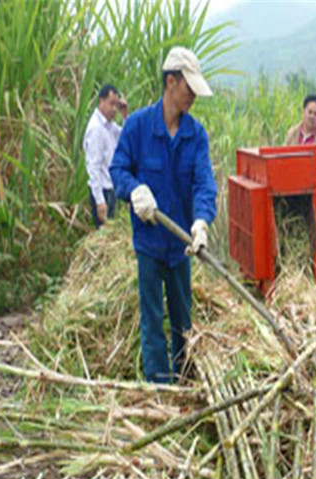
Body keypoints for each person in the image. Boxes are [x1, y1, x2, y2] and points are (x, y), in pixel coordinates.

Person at [110, 47, 217, 384]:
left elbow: (204, 183)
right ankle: (158, 385)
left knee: (183, 320)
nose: (193, 98)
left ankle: (184, 380)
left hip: (181, 246)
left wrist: (201, 221)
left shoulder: (195, 134)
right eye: (189, 89)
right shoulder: (138, 127)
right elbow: (117, 169)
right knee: (153, 318)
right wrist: (134, 190)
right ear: (171, 82)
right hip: (150, 245)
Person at [83, 84, 128, 227]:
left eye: (116, 105)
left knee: (108, 235)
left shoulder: (109, 126)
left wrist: (125, 115)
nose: (114, 109)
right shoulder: (96, 128)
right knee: (103, 235)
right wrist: (100, 201)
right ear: (101, 101)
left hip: (109, 189)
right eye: (111, 104)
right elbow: (93, 167)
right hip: (101, 191)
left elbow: (127, 136)